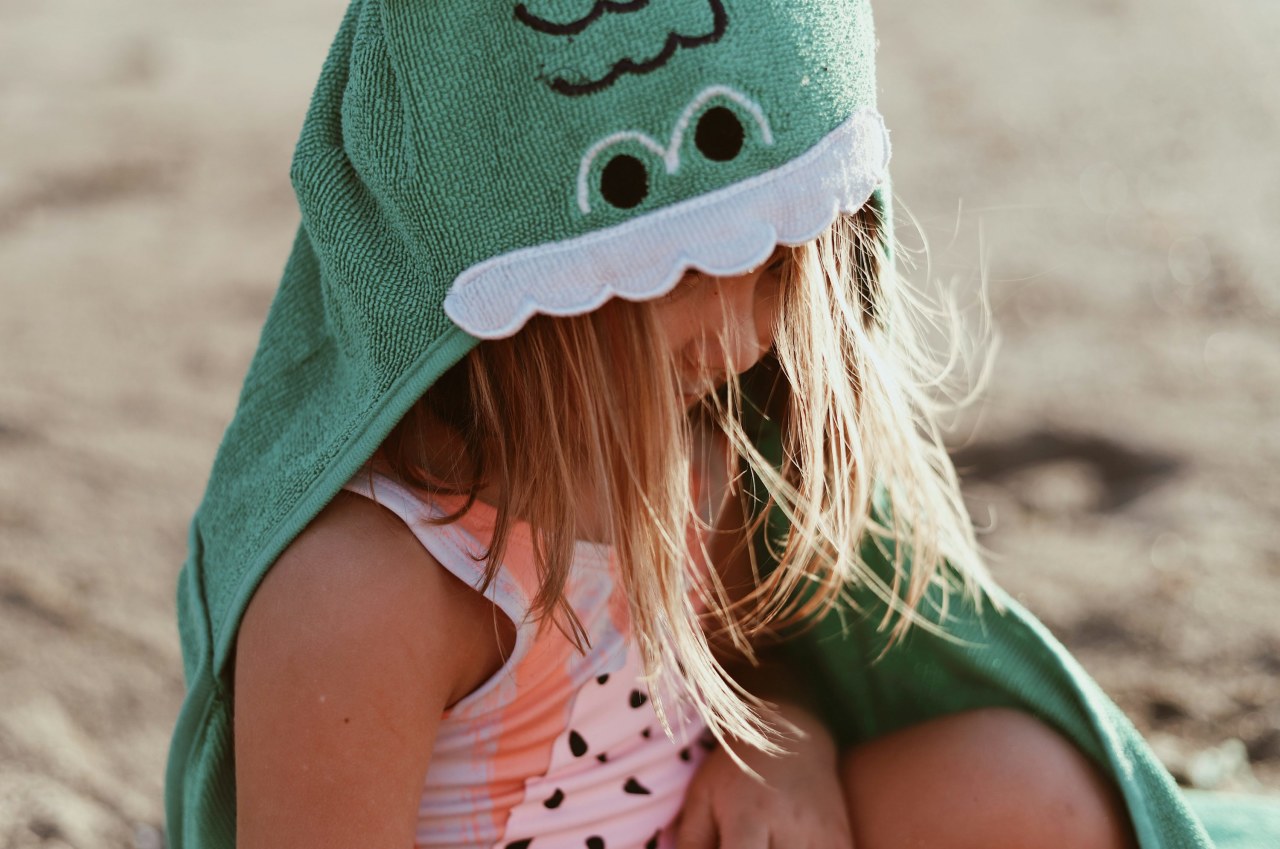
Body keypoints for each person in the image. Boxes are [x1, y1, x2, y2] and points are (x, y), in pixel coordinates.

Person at [164, 2, 1262, 848]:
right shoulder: (371, 585)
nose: (740, 335)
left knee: (1026, 786)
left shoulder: (699, 459)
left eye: (779, 263)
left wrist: (785, 747)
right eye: (683, 268)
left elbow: (751, 667)